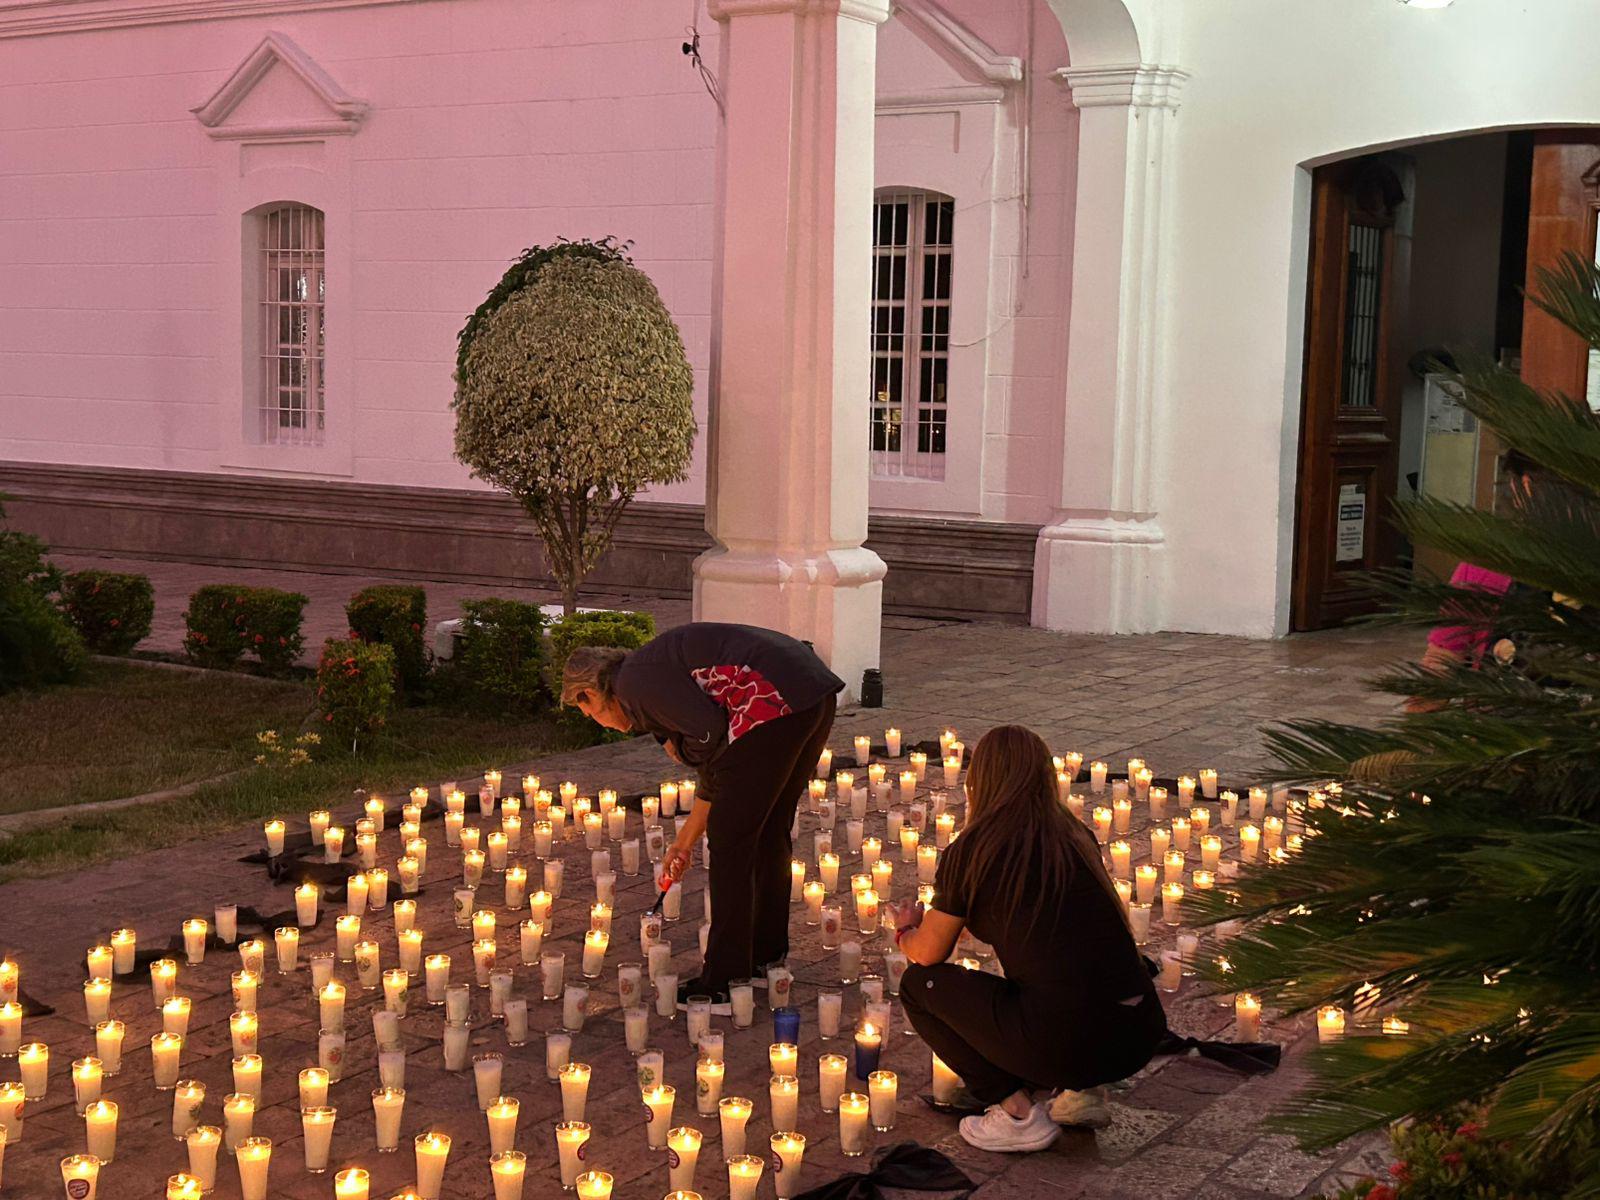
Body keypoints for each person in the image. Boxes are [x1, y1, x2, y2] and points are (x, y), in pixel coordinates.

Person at [886, 725, 1166, 1153]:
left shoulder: (975, 850)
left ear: (980, 779)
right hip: (1138, 1033)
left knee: (919, 986)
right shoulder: (1075, 836)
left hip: (1067, 1041)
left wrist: (906, 931)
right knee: (1063, 975)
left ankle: (1017, 1114)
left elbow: (928, 954)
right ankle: (1081, 1092)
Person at [561, 622, 843, 1009]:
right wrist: (683, 843)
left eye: (588, 711)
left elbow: (709, 738)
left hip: (772, 701)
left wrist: (681, 749)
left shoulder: (634, 686)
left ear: (591, 693)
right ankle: (764, 957)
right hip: (809, 695)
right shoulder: (649, 675)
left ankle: (724, 983)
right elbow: (720, 765)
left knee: (731, 843)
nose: (597, 720)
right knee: (767, 828)